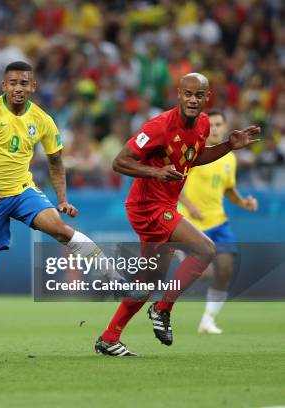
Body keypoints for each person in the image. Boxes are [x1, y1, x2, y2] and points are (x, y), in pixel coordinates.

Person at [95, 73, 260, 356]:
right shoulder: (159, 126)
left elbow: (193, 158)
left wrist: (228, 146)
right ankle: (162, 309)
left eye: (199, 95)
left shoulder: (204, 124)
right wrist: (156, 171)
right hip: (147, 207)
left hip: (165, 206)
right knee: (205, 249)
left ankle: (109, 338)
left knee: (149, 280)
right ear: (178, 94)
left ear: (208, 98)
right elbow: (119, 161)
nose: (193, 100)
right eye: (187, 94)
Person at [0, 61, 127, 296]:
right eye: (13, 83)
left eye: (23, 83)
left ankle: (115, 279)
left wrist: (62, 199)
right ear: (4, 86)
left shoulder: (43, 120)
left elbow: (56, 161)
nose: (18, 88)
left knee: (61, 230)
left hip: (23, 191)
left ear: (33, 86)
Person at [179, 111, 258, 334]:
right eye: (210, 124)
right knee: (206, 274)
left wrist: (244, 202)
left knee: (225, 270)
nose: (214, 128)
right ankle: (179, 251)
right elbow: (175, 183)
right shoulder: (195, 152)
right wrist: (190, 205)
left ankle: (208, 320)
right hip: (192, 223)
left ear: (225, 128)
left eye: (218, 124)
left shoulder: (230, 158)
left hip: (218, 221)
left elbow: (228, 190)